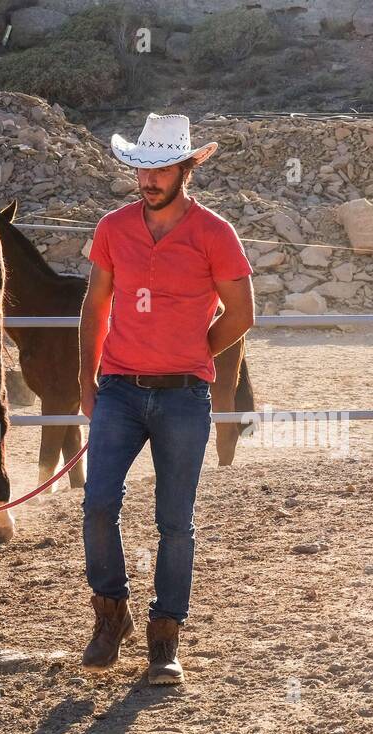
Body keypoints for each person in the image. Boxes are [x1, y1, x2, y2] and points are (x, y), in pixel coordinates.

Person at [78, 113, 255, 685]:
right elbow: (95, 308)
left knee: (175, 521)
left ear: (185, 169)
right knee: (98, 502)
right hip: (119, 392)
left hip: (183, 397)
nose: (147, 179)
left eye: (159, 169)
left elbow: (244, 314)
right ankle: (112, 615)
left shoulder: (215, 234)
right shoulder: (112, 228)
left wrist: (195, 349)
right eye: (141, 169)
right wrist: (89, 383)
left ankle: (165, 638)